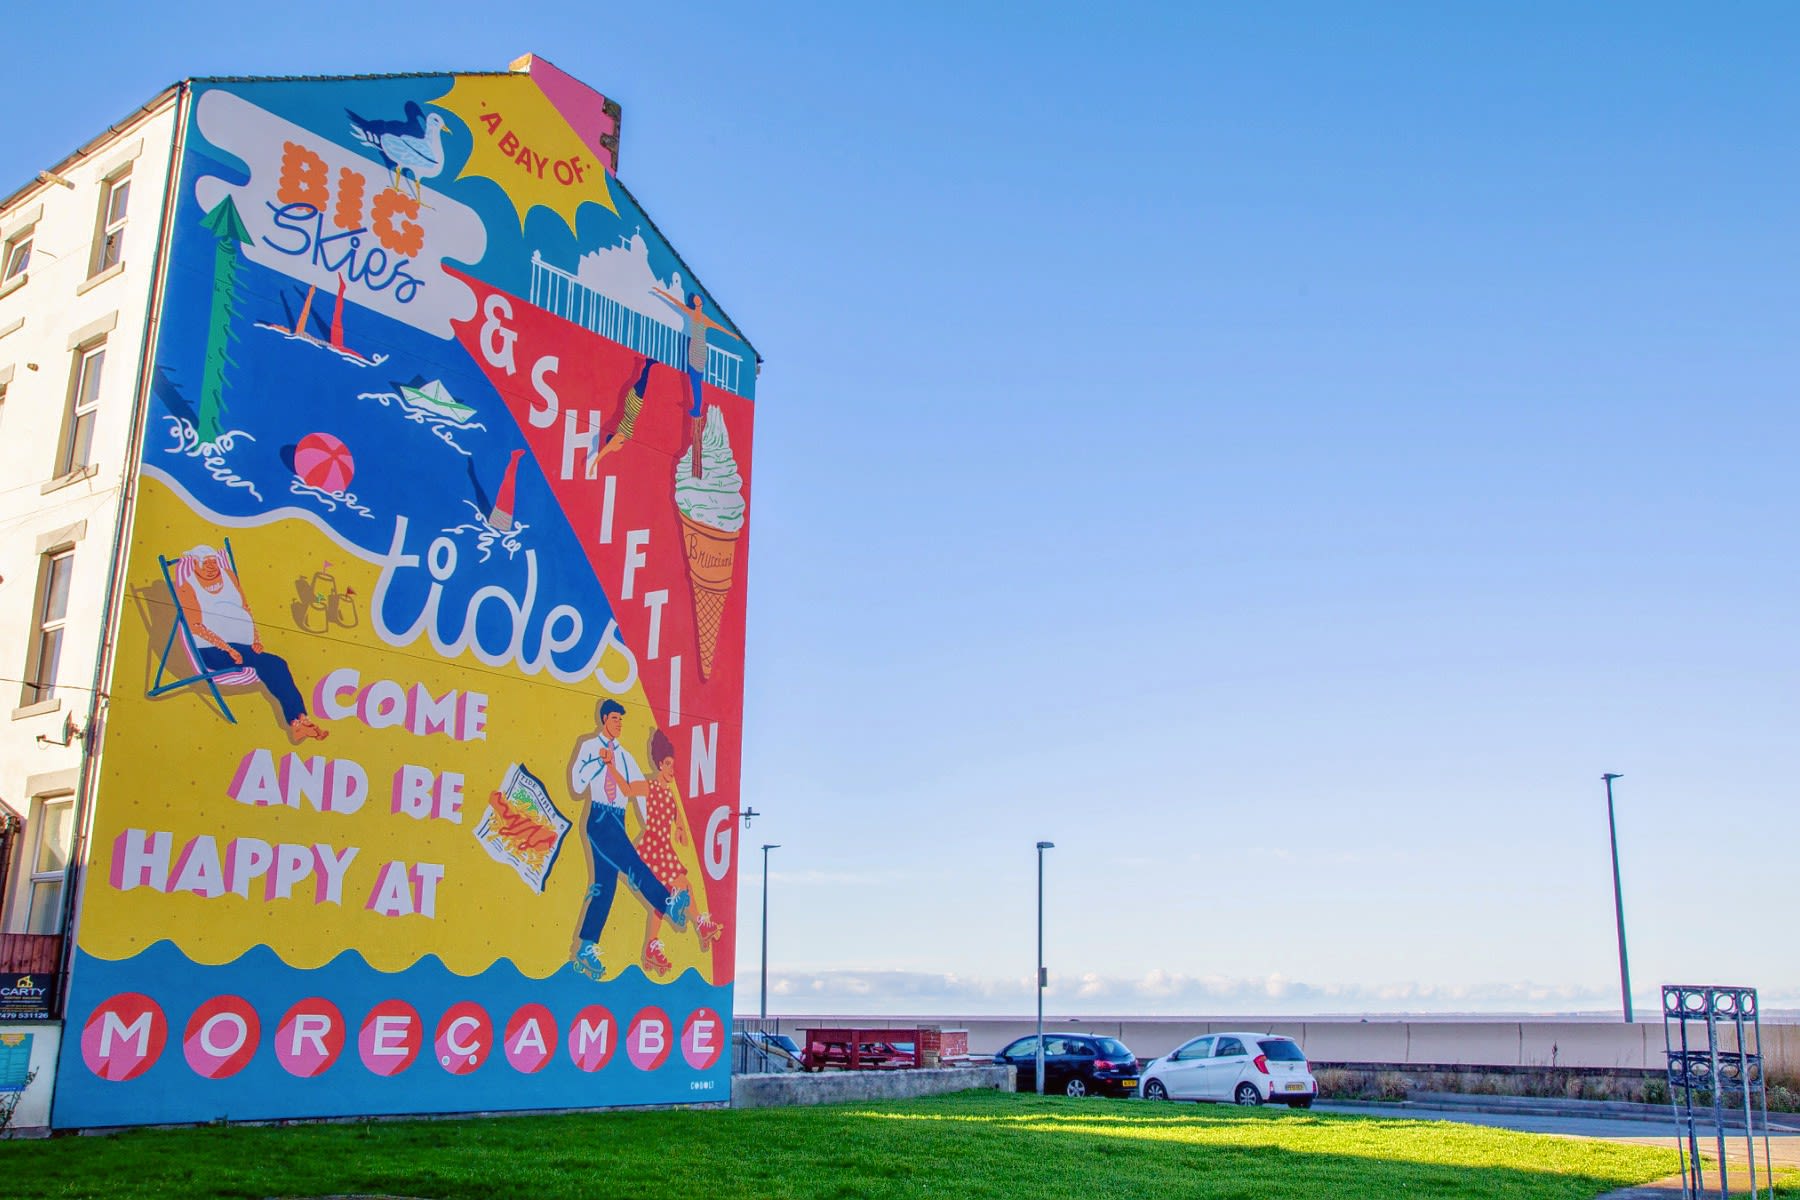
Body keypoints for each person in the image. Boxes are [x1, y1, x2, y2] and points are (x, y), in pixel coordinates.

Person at [568, 700, 690, 981]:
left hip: (618, 817)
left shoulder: (625, 756)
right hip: (599, 818)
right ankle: (667, 902)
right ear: (603, 720)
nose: (619, 724)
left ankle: (587, 945)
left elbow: (641, 795)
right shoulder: (589, 747)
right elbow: (576, 783)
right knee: (632, 864)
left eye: (621, 720)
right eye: (614, 718)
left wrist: (655, 833)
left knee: (604, 886)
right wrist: (597, 761)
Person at [174, 545, 327, 743]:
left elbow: (245, 608)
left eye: (214, 561)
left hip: (241, 646)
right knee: (273, 665)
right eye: (205, 562)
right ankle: (297, 721)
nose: (212, 566)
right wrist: (227, 648)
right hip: (212, 650)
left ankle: (300, 721)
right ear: (194, 563)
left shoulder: (228, 576)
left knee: (275, 664)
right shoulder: (188, 587)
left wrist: (256, 639)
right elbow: (195, 625)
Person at [629, 730, 725, 975]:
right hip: (652, 850)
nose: (672, 770)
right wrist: (610, 769)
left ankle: (653, 946)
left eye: (674, 765)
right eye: (669, 764)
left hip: (665, 849)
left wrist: (681, 829)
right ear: (660, 764)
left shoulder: (670, 795)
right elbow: (629, 789)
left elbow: (677, 817)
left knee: (663, 902)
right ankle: (701, 925)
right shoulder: (651, 787)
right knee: (683, 886)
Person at [648, 286, 734, 478]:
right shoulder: (693, 314)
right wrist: (661, 293)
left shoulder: (703, 318)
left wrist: (734, 336)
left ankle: (696, 407)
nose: (695, 301)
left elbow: (720, 328)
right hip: (694, 347)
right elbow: (677, 304)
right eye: (694, 299)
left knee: (696, 380)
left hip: (699, 349)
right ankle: (695, 406)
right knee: (694, 379)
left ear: (701, 303)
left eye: (697, 299)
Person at [584, 356, 654, 479]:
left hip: (633, 405)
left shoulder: (621, 434)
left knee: (643, 381)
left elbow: (603, 452)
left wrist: (593, 464)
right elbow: (603, 452)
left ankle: (648, 365)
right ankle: (644, 365)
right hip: (631, 404)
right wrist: (592, 463)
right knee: (642, 381)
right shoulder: (621, 435)